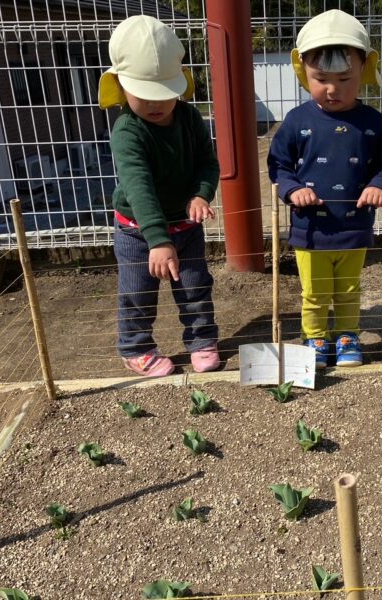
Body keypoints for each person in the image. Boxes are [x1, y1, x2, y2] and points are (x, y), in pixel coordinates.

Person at [267, 9, 382, 369]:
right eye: (321, 78)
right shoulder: (297, 121)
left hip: (355, 225)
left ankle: (347, 336)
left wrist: (378, 186)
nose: (332, 88)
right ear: (303, 71)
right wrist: (292, 190)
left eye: (344, 79)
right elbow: (278, 165)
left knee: (349, 289)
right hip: (310, 229)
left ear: (364, 69)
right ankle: (315, 338)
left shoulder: (373, 123)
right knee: (314, 292)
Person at [98, 15, 221, 376]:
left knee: (195, 284)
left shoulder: (190, 118)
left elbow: (207, 163)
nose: (156, 103)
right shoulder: (128, 131)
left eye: (165, 92)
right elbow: (139, 187)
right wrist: (157, 239)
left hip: (185, 225)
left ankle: (201, 340)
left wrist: (200, 195)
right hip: (138, 229)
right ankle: (135, 347)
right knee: (138, 291)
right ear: (121, 85)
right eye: (144, 93)